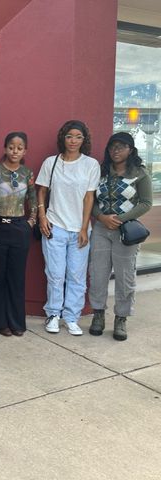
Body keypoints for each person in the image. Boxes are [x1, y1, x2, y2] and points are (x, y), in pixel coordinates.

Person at [36, 120, 100, 336]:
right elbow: (41, 191)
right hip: (55, 227)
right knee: (55, 274)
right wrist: (42, 216)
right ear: (63, 138)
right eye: (70, 136)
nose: (73, 141)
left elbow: (89, 197)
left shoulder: (90, 165)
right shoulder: (51, 162)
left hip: (79, 229)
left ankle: (71, 316)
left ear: (84, 140)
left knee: (77, 276)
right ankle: (53, 314)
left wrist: (84, 228)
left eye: (78, 137)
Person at [88, 132, 152, 341]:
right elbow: (90, 198)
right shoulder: (100, 171)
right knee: (97, 274)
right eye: (112, 147)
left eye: (121, 147)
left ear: (130, 150)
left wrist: (120, 219)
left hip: (126, 232)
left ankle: (121, 318)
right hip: (100, 229)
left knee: (125, 277)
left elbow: (146, 202)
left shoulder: (140, 173)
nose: (116, 151)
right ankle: (98, 314)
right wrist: (101, 217)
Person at [0, 132, 37, 336]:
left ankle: (17, 322)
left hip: (19, 229)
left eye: (20, 147)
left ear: (25, 150)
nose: (15, 151)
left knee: (17, 278)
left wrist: (31, 221)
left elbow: (33, 198)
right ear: (5, 148)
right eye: (11, 147)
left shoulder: (27, 173)